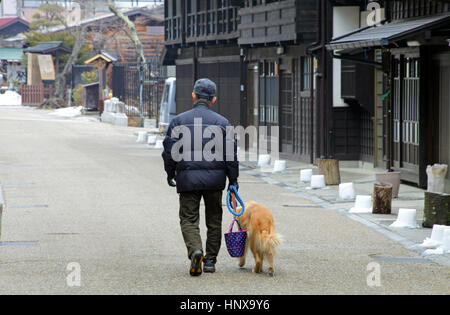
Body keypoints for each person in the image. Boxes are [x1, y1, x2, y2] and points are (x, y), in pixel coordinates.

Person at [162, 78, 239, 276]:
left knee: (188, 219)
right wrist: (233, 181)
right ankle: (211, 261)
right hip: (215, 181)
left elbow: (169, 152)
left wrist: (171, 173)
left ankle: (196, 250)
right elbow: (231, 156)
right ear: (213, 99)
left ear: (194, 96)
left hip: (187, 179)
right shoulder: (223, 123)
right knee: (214, 219)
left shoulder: (178, 121)